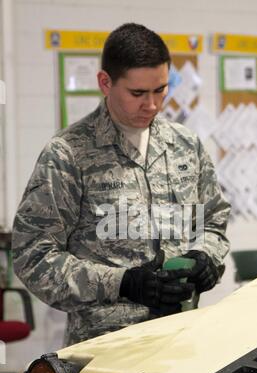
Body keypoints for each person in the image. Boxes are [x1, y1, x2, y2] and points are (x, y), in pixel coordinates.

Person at [12, 23, 230, 346]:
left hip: (182, 340)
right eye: (138, 93)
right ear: (105, 82)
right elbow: (33, 255)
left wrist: (207, 257)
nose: (152, 105)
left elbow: (213, 220)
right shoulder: (68, 154)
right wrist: (122, 283)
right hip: (105, 347)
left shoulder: (186, 145)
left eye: (161, 89)